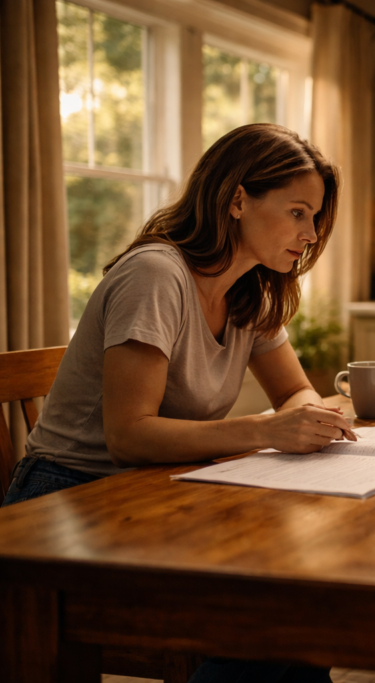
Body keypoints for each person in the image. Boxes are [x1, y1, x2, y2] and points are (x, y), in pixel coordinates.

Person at [3, 123, 354, 683]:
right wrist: (269, 431)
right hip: (68, 503)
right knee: (274, 616)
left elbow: (293, 391)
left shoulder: (249, 290)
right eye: (297, 212)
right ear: (237, 199)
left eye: (314, 217)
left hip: (157, 492)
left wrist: (309, 416)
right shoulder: (155, 276)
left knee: (304, 599)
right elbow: (129, 435)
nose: (310, 233)